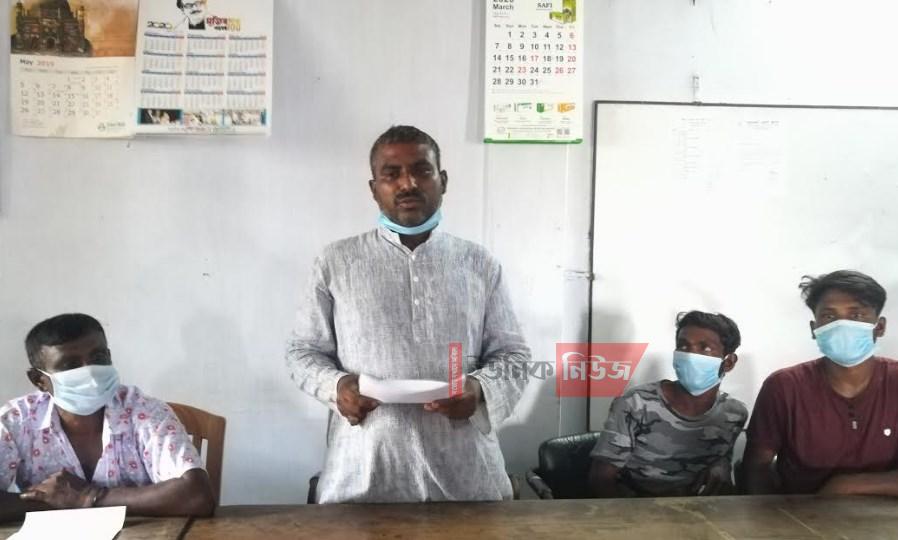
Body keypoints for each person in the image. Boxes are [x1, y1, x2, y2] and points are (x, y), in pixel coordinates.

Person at [286, 125, 531, 503]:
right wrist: (337, 387)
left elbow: (513, 354)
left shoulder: (477, 263)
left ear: (442, 181)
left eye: (421, 170)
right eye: (392, 174)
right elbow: (302, 352)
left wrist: (479, 389)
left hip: (466, 478)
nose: (408, 183)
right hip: (363, 474)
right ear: (374, 189)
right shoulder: (336, 262)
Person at [0, 314, 215, 523]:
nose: (90, 372)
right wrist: (60, 502)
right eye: (70, 365)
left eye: (98, 358)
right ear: (39, 380)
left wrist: (88, 497)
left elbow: (197, 495)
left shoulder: (145, 412)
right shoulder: (16, 420)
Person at [744, 270, 898, 495]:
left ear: (880, 326)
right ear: (814, 330)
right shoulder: (784, 387)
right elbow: (756, 469)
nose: (842, 325)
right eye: (829, 316)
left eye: (856, 315)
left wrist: (847, 486)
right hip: (800, 513)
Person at [589, 311, 747, 497]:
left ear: (728, 362)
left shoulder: (734, 414)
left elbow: (720, 463)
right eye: (683, 346)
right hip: (634, 508)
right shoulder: (636, 403)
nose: (689, 355)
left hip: (695, 510)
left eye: (704, 348)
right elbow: (600, 480)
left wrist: (721, 467)